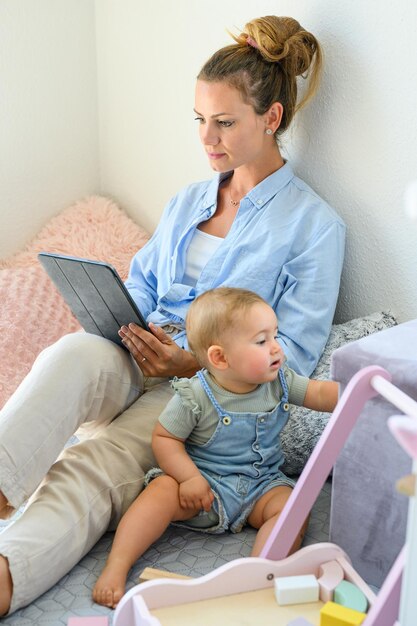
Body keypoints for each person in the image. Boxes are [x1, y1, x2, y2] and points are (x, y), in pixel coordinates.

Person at [0, 15, 345, 616]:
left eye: (224, 123)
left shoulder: (315, 227)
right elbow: (141, 282)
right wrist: (124, 320)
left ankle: (7, 572)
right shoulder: (190, 198)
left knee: (100, 457)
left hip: (205, 386)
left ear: (272, 118)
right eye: (200, 121)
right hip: (141, 350)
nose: (207, 139)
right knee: (70, 355)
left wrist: (194, 359)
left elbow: (292, 349)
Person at [92, 287, 339, 608]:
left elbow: (320, 394)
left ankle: (259, 574)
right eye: (262, 341)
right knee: (160, 491)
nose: (277, 349)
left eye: (275, 336)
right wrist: (189, 477)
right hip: (203, 489)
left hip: (261, 487)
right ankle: (116, 566)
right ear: (220, 357)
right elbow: (165, 439)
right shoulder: (194, 395)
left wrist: (358, 387)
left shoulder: (281, 381)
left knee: (293, 507)